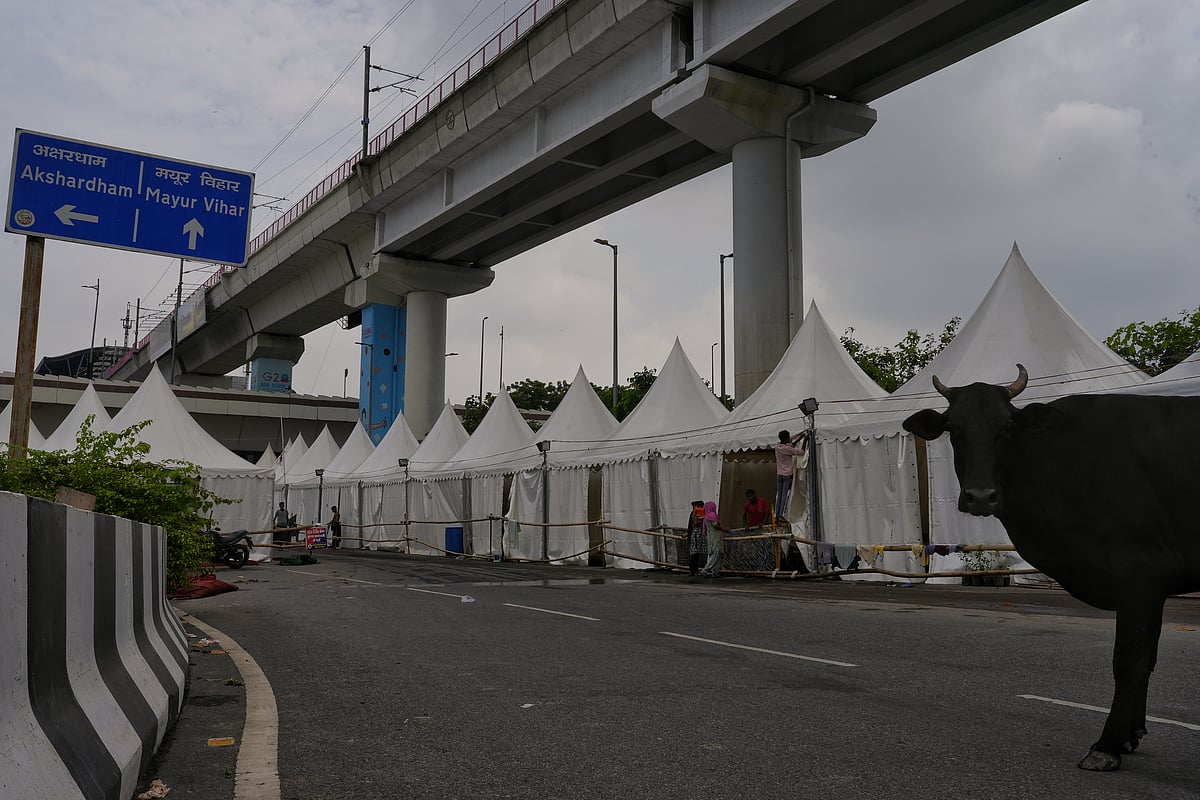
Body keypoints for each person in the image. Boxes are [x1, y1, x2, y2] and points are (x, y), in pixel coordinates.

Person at [774, 429, 809, 524]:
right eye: (788, 437)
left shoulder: (777, 446)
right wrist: (805, 440)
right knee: (784, 496)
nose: (790, 438)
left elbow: (790, 446)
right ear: (786, 439)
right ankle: (781, 516)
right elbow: (801, 452)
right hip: (786, 475)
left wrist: (799, 438)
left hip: (779, 475)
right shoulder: (787, 449)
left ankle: (777, 515)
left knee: (779, 495)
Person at [702, 501, 726, 578]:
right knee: (716, 553)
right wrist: (724, 529)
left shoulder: (706, 516)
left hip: (711, 536)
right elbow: (715, 525)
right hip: (715, 536)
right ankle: (706, 570)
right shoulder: (712, 515)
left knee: (715, 554)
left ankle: (715, 572)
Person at [685, 500, 707, 576]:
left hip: (699, 534)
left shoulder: (701, 513)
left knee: (697, 553)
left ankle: (694, 569)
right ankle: (692, 569)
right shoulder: (694, 513)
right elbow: (695, 523)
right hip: (695, 535)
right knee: (694, 553)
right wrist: (702, 520)